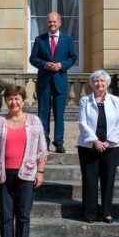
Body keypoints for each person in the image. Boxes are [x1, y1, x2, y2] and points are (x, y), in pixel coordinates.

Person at [0, 85, 46, 237]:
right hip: (3, 174)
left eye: (17, 98)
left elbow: (42, 149)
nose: (14, 102)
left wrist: (40, 172)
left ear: (23, 100)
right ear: (6, 101)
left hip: (27, 174)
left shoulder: (34, 121)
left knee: (23, 216)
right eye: (10, 98)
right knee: (6, 216)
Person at [76, 70, 119, 224]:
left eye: (102, 81)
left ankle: (107, 212)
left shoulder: (115, 100)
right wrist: (95, 141)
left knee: (108, 179)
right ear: (92, 84)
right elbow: (82, 123)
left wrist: (108, 142)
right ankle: (90, 213)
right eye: (96, 81)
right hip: (88, 146)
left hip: (111, 147)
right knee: (90, 180)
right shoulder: (85, 100)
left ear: (107, 83)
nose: (99, 84)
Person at [29, 11, 78, 153]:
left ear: (59, 23)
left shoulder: (67, 39)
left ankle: (59, 143)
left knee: (59, 114)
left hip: (60, 81)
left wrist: (61, 65)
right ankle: (44, 142)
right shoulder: (40, 39)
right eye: (49, 21)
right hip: (44, 81)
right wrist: (45, 64)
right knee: (43, 113)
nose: (52, 24)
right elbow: (33, 59)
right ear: (47, 23)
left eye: (54, 21)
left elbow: (73, 57)